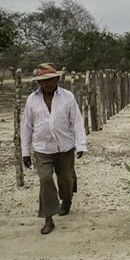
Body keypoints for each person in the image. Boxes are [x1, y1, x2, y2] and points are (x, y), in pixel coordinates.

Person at [20, 62, 86, 234]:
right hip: (42, 148)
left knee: (65, 178)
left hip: (65, 146)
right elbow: (26, 126)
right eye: (44, 81)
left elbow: (77, 121)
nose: (48, 84)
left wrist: (81, 145)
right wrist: (25, 152)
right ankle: (48, 218)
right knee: (45, 179)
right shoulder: (32, 100)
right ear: (38, 83)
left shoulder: (67, 97)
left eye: (51, 80)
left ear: (57, 79)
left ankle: (67, 200)